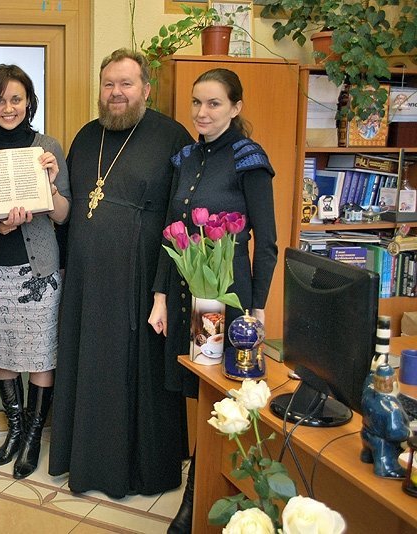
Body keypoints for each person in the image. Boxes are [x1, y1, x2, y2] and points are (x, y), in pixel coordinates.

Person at [48, 48, 194, 498]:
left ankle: (135, 470)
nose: (116, 92)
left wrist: (162, 288)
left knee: (133, 371)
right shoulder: (86, 136)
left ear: (146, 89)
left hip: (140, 277)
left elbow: (180, 216)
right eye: (108, 84)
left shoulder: (172, 137)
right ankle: (87, 461)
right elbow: (72, 207)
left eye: (126, 84)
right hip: (87, 278)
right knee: (89, 364)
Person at [148, 68, 277, 533]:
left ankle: (192, 504)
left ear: (236, 107)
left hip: (228, 301)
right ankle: (202, 491)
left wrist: (257, 309)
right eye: (197, 103)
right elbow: (170, 232)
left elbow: (267, 242)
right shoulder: (185, 157)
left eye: (214, 103)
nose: (202, 113)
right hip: (187, 294)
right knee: (200, 391)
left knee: (223, 396)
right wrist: (160, 296)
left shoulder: (249, 159)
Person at [0, 64, 71, 479]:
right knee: (3, 351)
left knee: (42, 355)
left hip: (40, 272)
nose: (8, 107)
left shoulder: (47, 147)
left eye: (16, 99)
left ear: (29, 102)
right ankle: (13, 431)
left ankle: (31, 437)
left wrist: (50, 186)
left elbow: (64, 215)